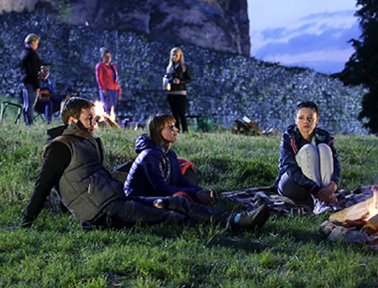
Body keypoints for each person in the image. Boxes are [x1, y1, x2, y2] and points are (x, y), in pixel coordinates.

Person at [21, 97, 270, 230]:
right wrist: (28, 219)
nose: (95, 121)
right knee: (172, 217)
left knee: (178, 202)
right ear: (74, 119)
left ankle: (238, 219)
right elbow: (45, 183)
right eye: (89, 118)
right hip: (103, 211)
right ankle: (230, 227)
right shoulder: (61, 146)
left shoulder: (88, 141)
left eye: (95, 116)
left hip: (117, 198)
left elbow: (81, 177)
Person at [124, 114, 216, 205]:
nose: (176, 130)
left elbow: (180, 180)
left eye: (174, 126)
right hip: (138, 199)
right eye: (171, 127)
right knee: (180, 203)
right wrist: (194, 193)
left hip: (155, 196)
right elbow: (161, 188)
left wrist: (199, 190)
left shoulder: (170, 154)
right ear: (158, 131)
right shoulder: (150, 155)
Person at [276, 101, 341, 213]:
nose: (306, 121)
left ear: (317, 120)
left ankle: (324, 199)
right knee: (308, 149)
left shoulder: (324, 137)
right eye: (301, 118)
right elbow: (290, 169)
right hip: (292, 184)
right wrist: (316, 190)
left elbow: (336, 164)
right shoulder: (288, 137)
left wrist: (332, 187)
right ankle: (318, 199)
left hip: (320, 184)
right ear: (295, 120)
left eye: (310, 117)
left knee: (324, 148)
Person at [163, 47, 192, 133]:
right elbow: (166, 78)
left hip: (181, 92)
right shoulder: (169, 67)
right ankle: (177, 129)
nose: (174, 57)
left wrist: (180, 81)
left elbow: (189, 79)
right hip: (171, 92)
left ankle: (185, 130)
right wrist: (170, 81)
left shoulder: (184, 67)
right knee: (174, 113)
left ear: (180, 56)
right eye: (173, 55)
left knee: (182, 112)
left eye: (176, 55)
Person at [19, 33, 42, 125]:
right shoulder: (31, 54)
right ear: (32, 42)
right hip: (31, 82)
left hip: (24, 80)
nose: (37, 45)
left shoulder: (24, 52)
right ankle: (29, 123)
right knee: (31, 104)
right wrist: (37, 85)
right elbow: (33, 71)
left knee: (26, 103)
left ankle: (26, 121)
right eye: (36, 42)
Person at [95, 47, 121, 117]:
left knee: (113, 108)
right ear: (102, 57)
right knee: (108, 107)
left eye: (109, 57)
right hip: (106, 89)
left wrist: (119, 91)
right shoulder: (100, 66)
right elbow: (99, 78)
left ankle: (111, 122)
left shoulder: (112, 66)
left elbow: (116, 79)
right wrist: (103, 89)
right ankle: (107, 123)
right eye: (106, 57)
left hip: (114, 89)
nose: (108, 59)